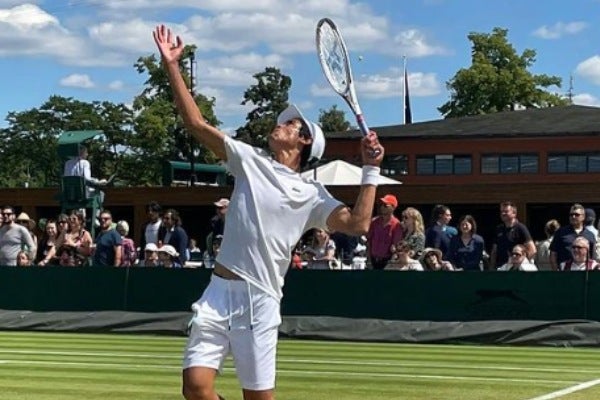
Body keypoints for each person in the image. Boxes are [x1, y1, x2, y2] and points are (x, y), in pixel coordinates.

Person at [153, 24, 384, 400]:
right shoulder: (249, 160)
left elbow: (358, 224)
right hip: (217, 291)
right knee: (195, 389)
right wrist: (172, 66)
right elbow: (195, 123)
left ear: (304, 140)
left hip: (260, 300)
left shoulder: (312, 192)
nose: (280, 125)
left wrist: (371, 169)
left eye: (290, 124)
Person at [489, 201, 536, 270]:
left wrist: (521, 265)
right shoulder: (499, 229)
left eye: (506, 211)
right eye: (501, 211)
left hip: (516, 270)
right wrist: (492, 268)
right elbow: (494, 251)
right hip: (501, 269)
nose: (503, 213)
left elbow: (532, 250)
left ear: (514, 213)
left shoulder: (520, 228)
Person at [366, 194, 402, 270]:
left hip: (387, 262)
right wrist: (368, 260)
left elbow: (396, 247)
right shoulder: (374, 222)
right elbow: (369, 242)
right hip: (372, 260)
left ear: (393, 208)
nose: (382, 207)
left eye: (386, 205)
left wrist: (390, 264)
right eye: (381, 205)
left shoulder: (397, 225)